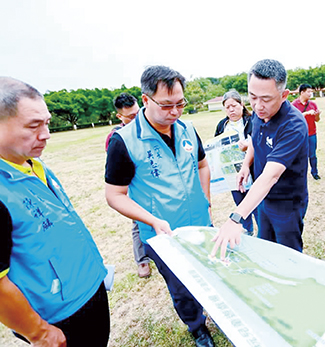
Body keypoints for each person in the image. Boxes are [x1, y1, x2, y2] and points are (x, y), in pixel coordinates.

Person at [104, 66, 215, 347]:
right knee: (181, 286)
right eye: (166, 105)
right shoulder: (124, 141)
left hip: (200, 222)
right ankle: (197, 327)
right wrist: (152, 220)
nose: (175, 112)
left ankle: (217, 311)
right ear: (145, 100)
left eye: (180, 104)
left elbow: (202, 165)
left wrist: (205, 198)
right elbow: (115, 195)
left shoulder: (188, 129)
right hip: (163, 233)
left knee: (209, 271)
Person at [0, 77, 110, 346]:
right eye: (34, 126)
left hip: (88, 290)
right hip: (58, 315)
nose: (46, 134)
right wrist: (38, 332)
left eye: (47, 123)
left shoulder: (31, 164)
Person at [211, 59, 309, 259]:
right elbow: (255, 140)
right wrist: (246, 164)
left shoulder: (293, 125)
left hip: (287, 202)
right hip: (262, 199)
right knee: (265, 249)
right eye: (252, 97)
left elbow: (271, 177)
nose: (257, 105)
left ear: (284, 95)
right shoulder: (258, 114)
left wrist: (236, 217)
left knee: (288, 256)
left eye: (266, 98)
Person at [105, 93, 151, 278]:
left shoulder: (147, 128)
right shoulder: (116, 139)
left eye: (138, 113)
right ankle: (142, 261)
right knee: (138, 223)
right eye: (131, 116)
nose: (136, 118)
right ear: (119, 116)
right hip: (132, 188)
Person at [214, 90, 257, 235]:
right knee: (240, 203)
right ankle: (248, 230)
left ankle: (263, 232)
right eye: (227, 107)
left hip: (253, 170)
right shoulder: (222, 125)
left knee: (256, 203)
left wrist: (248, 146)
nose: (231, 109)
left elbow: (259, 142)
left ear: (242, 104)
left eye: (234, 105)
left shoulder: (252, 120)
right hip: (232, 173)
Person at [292, 84, 322, 180]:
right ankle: (300, 173)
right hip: (299, 134)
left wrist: (317, 115)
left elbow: (317, 120)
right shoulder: (294, 105)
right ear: (302, 92)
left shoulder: (313, 104)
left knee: (312, 155)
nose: (310, 94)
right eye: (308, 92)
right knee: (300, 155)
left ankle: (315, 172)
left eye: (311, 92)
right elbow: (293, 119)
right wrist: (306, 113)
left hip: (312, 133)